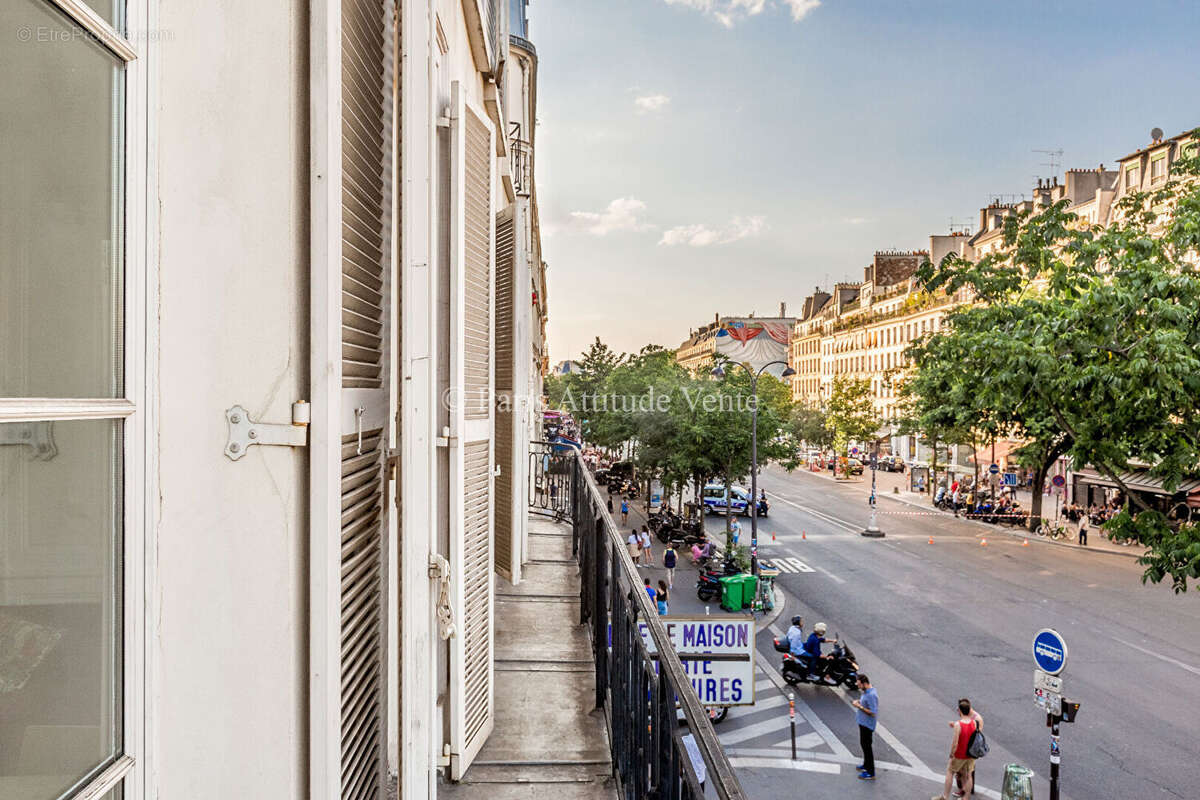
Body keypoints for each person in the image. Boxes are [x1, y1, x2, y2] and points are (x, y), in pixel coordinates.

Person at [935, 698, 978, 800]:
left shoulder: (958, 725)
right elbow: (969, 733)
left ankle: (945, 796)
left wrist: (951, 754)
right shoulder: (974, 723)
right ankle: (966, 797)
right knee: (969, 776)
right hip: (970, 755)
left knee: (950, 772)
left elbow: (955, 743)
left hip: (960, 754)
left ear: (960, 710)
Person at [851, 673, 878, 780]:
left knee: (867, 747)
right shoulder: (867, 692)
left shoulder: (871, 695)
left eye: (859, 685)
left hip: (867, 725)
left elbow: (873, 712)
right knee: (864, 745)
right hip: (863, 723)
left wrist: (859, 706)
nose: (858, 686)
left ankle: (871, 773)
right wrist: (859, 702)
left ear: (864, 683)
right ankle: (866, 765)